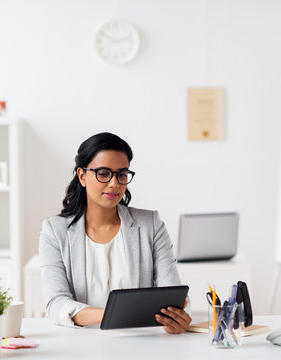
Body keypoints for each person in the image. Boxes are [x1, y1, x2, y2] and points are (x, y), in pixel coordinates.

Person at [39, 132, 191, 334]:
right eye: (103, 173)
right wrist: (114, 312)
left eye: (121, 174)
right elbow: (56, 303)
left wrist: (174, 319)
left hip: (140, 342)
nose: (114, 184)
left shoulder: (150, 225)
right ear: (82, 176)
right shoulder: (55, 232)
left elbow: (172, 292)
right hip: (81, 343)